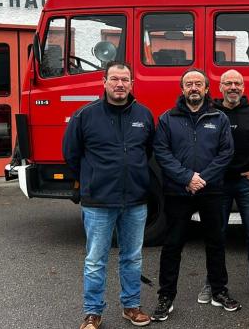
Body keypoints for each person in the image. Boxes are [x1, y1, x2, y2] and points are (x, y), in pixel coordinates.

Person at [63, 61, 154, 329]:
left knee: (132, 257)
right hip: (98, 202)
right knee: (95, 260)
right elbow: (71, 154)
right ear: (104, 82)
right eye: (114, 79)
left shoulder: (144, 115)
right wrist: (92, 179)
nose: (120, 84)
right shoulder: (85, 115)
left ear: (132, 84)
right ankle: (92, 313)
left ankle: (131, 306)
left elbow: (147, 151)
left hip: (135, 201)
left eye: (125, 80)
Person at [151, 68, 239, 322]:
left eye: (198, 84)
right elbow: (162, 152)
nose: (193, 88)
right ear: (182, 89)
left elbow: (226, 153)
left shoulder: (219, 117)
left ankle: (219, 291)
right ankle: (166, 297)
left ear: (207, 89)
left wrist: (202, 179)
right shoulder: (168, 118)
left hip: (211, 190)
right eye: (189, 84)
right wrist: (186, 178)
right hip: (178, 191)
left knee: (216, 243)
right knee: (173, 245)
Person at [194, 69, 249, 304]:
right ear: (220, 88)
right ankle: (212, 282)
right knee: (216, 234)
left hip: (245, 182)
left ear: (243, 87)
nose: (233, 87)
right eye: (228, 83)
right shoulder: (211, 113)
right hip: (217, 183)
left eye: (237, 83)